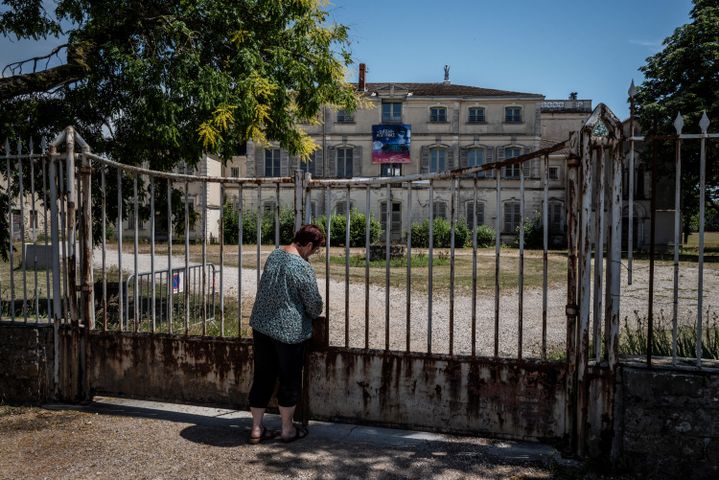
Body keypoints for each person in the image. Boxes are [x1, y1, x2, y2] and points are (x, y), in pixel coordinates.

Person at [247, 224, 325, 444]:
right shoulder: (303, 267)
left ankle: (255, 428)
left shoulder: (274, 255)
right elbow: (314, 305)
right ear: (308, 245)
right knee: (289, 379)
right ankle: (287, 429)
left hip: (262, 326)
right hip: (289, 332)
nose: (314, 254)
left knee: (262, 376)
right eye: (315, 250)